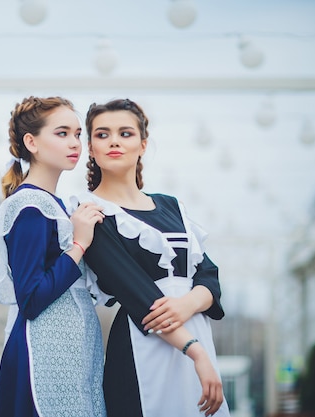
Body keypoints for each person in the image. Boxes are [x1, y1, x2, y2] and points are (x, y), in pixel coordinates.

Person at [76, 98, 230, 417]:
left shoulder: (171, 206)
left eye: (125, 133)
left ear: (143, 144)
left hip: (195, 333)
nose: (114, 140)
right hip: (142, 344)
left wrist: (187, 304)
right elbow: (138, 294)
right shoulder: (90, 212)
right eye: (102, 134)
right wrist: (196, 353)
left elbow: (208, 276)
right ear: (90, 147)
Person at [0, 96, 107, 417]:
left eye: (77, 134)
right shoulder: (29, 206)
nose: (75, 143)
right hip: (38, 357)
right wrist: (79, 245)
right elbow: (30, 298)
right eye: (61, 133)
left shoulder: (54, 205)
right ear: (32, 142)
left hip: (66, 354)